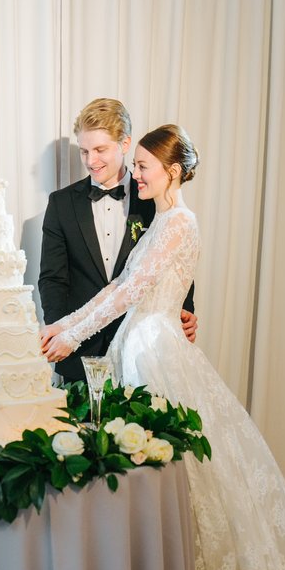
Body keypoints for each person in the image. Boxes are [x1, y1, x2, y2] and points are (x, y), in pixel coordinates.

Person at [41, 124, 285, 570]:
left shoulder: (180, 223)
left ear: (173, 171)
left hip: (157, 350)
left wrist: (71, 334)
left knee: (189, 473)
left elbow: (131, 292)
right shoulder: (159, 219)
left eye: (143, 168)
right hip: (140, 346)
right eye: (133, 167)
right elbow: (118, 291)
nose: (135, 176)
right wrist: (62, 326)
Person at [38, 98, 197, 384]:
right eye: (84, 151)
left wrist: (184, 312)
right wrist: (61, 331)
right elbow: (53, 279)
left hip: (143, 351)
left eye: (100, 149)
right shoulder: (61, 204)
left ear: (124, 144)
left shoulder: (154, 198)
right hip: (79, 355)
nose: (90, 161)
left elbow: (171, 269)